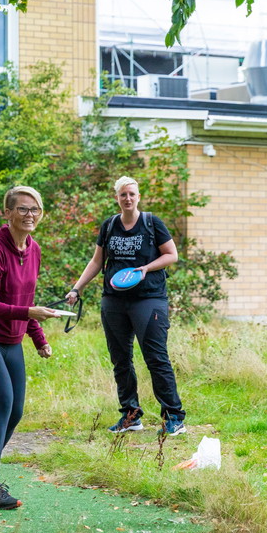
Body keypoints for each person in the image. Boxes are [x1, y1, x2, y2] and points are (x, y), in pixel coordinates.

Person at [0, 186, 59, 509]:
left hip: (12, 340)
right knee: (2, 402)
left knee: (15, 411)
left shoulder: (34, 250)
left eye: (35, 210)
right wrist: (30, 314)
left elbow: (25, 300)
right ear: (7, 213)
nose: (29, 215)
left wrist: (38, 336)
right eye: (22, 209)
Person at [66, 176, 186, 435]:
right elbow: (97, 261)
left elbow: (171, 255)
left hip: (149, 299)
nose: (128, 198)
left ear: (138, 196)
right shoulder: (109, 225)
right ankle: (131, 415)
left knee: (156, 358)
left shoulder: (151, 223)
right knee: (120, 360)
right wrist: (77, 288)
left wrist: (145, 269)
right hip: (114, 300)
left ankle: (174, 417)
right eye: (123, 195)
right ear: (117, 197)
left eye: (132, 194)